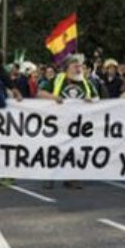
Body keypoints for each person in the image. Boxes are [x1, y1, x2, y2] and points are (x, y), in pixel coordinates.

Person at [38, 55, 97, 189]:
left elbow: (97, 98)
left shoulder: (86, 83)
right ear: (67, 68)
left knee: (75, 151)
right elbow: (40, 93)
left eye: (80, 66)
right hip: (57, 123)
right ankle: (49, 177)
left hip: (78, 125)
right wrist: (53, 97)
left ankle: (71, 178)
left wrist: (92, 101)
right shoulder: (57, 79)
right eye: (75, 66)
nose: (79, 69)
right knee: (53, 150)